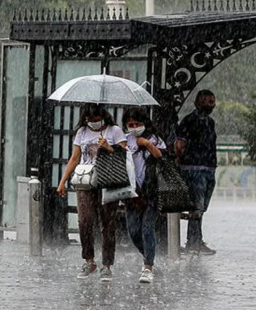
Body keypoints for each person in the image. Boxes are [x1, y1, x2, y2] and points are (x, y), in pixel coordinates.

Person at [57, 103, 127, 282]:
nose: (92, 123)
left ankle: (107, 264)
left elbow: (125, 155)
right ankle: (89, 260)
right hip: (86, 180)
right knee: (85, 220)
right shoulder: (82, 132)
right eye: (89, 119)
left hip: (107, 180)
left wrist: (108, 148)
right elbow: (75, 157)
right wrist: (63, 181)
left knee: (107, 223)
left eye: (95, 119)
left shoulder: (115, 131)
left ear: (102, 116)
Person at [122, 107, 165, 283]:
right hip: (132, 192)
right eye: (130, 124)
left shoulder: (154, 138)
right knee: (133, 230)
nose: (134, 127)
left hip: (152, 191)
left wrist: (146, 144)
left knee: (147, 227)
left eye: (137, 124)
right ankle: (148, 255)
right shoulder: (125, 140)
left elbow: (161, 156)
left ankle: (148, 266)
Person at [175, 89, 217, 255]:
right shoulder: (189, 121)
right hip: (193, 169)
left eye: (212, 101)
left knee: (201, 207)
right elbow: (179, 144)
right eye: (206, 101)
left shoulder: (210, 122)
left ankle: (196, 239)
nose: (210, 105)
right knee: (196, 206)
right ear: (197, 103)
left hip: (208, 168)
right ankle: (193, 241)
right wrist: (182, 160)